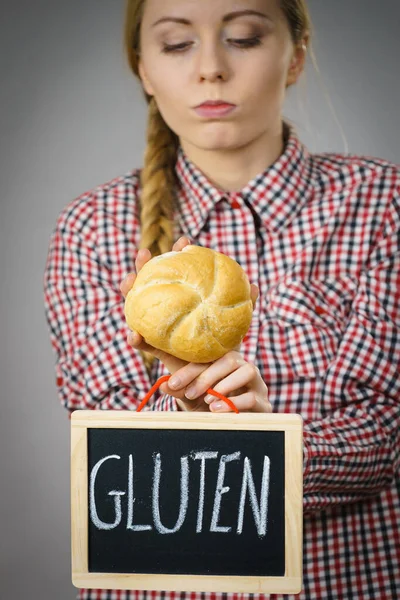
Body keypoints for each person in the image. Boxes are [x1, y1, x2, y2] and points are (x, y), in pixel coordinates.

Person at [43, 0, 400, 598]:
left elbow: (383, 435)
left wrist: (269, 445)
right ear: (144, 70)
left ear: (296, 56)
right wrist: (189, 416)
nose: (210, 67)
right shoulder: (92, 227)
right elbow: (107, 455)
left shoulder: (383, 204)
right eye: (178, 44)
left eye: (242, 36)